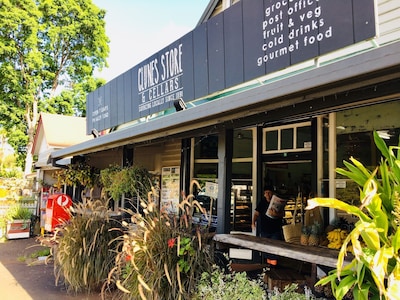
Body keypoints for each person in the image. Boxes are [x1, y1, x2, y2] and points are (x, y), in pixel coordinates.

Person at [251, 185, 283, 266]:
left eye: (269, 193)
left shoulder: (277, 202)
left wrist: (277, 214)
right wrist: (253, 222)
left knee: (274, 248)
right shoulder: (262, 202)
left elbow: (283, 214)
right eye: (265, 193)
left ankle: (274, 266)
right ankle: (267, 266)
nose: (267, 195)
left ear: (272, 193)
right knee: (266, 248)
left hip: (275, 230)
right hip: (264, 229)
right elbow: (256, 213)